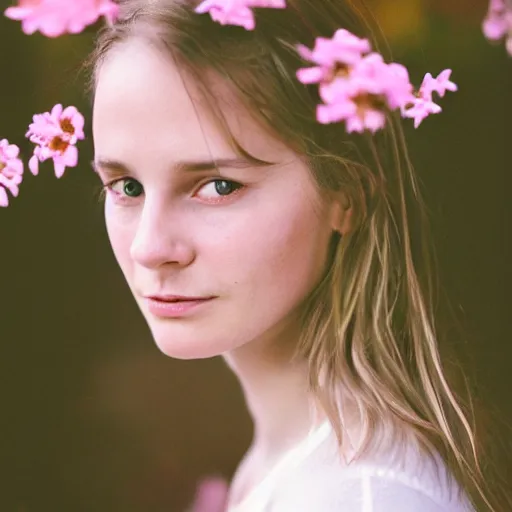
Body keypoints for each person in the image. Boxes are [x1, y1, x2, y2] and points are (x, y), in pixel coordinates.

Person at [88, 0, 510, 510]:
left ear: (346, 195)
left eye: (219, 186)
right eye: (126, 186)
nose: (149, 248)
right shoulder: (294, 463)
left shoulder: (360, 496)